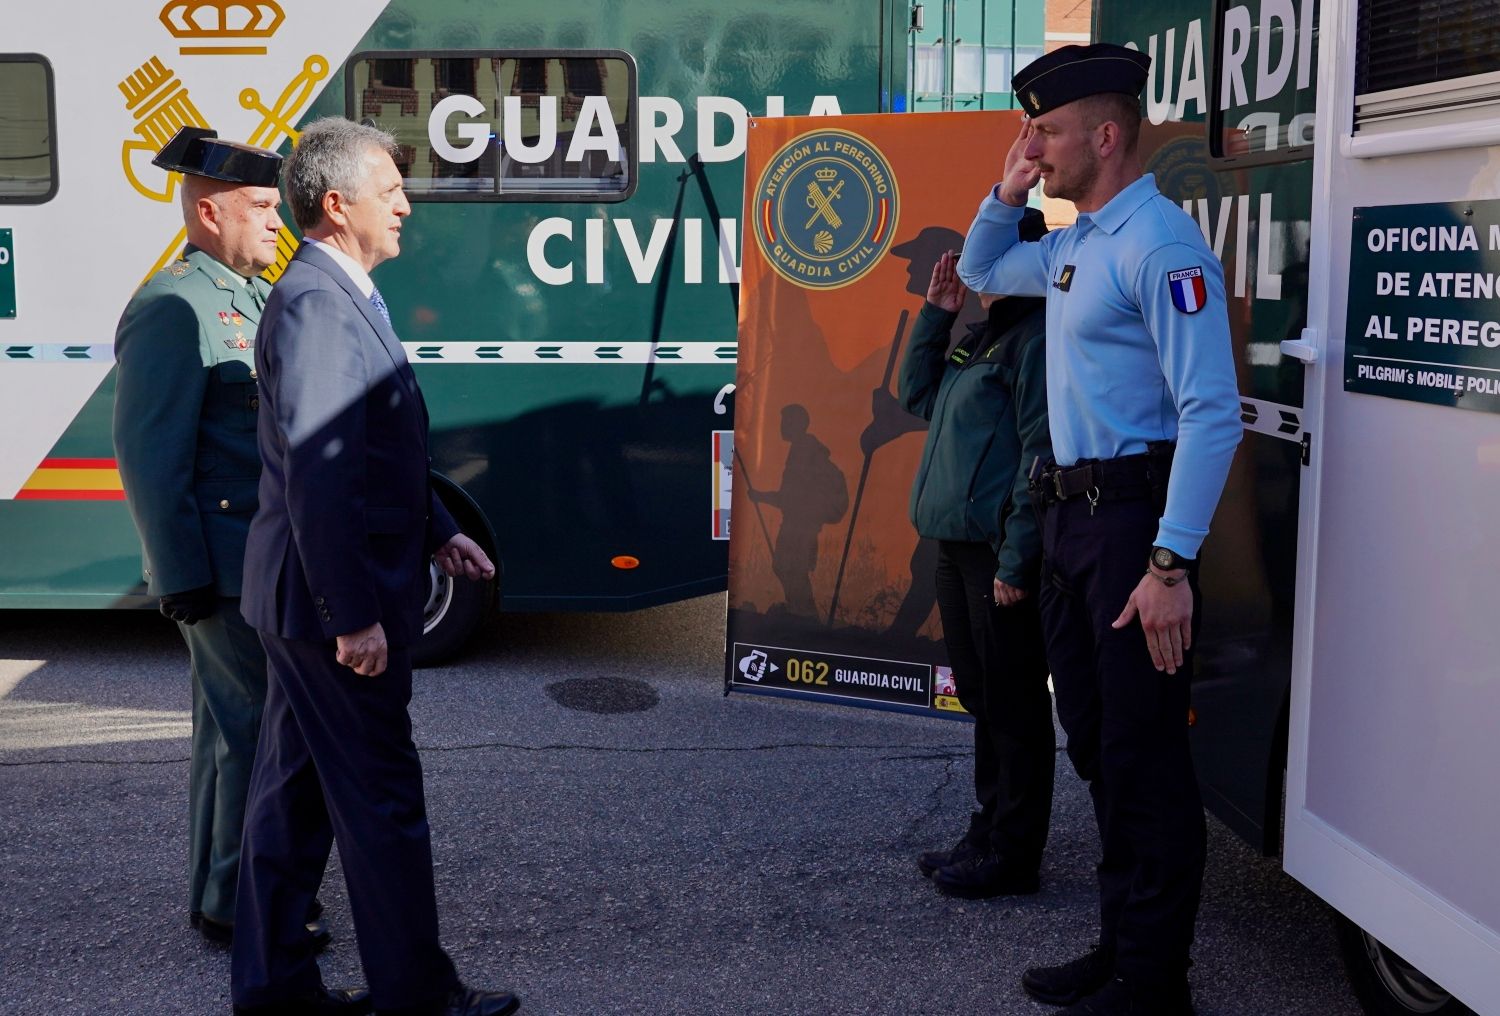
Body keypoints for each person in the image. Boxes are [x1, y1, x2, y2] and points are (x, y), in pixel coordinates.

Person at [957, 45, 1242, 1016]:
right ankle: (1122, 947)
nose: (1031, 144)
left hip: (1130, 527)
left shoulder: (1160, 245)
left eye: (1047, 130)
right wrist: (1008, 188)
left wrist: (1171, 562)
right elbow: (983, 267)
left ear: (1106, 135)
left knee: (1145, 757)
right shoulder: (1083, 242)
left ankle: (1154, 980)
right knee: (1095, 739)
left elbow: (1213, 411)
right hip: (1070, 523)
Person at [231, 118, 517, 1016]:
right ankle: (417, 995)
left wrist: (436, 527)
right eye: (390, 187)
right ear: (335, 203)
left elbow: (371, 452)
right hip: (328, 612)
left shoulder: (332, 290)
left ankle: (274, 987)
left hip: (296, 602)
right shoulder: (320, 302)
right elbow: (321, 474)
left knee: (292, 796)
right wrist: (352, 615)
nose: (406, 203)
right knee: (382, 803)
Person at [113, 126, 330, 953]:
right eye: (262, 207)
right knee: (254, 734)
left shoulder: (244, 293)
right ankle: (246, 909)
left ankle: (221, 894)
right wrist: (180, 576)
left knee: (227, 732)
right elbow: (150, 456)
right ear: (209, 212)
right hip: (225, 566)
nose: (278, 222)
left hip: (254, 562)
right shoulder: (173, 305)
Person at [899, 211, 1055, 901]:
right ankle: (989, 828)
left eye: (993, 254)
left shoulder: (1038, 337)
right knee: (982, 697)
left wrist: (1018, 562)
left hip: (995, 554)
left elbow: (1040, 456)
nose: (976, 265)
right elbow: (918, 398)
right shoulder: (985, 332)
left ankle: (1014, 853)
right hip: (953, 549)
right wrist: (936, 317)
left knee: (1015, 705)